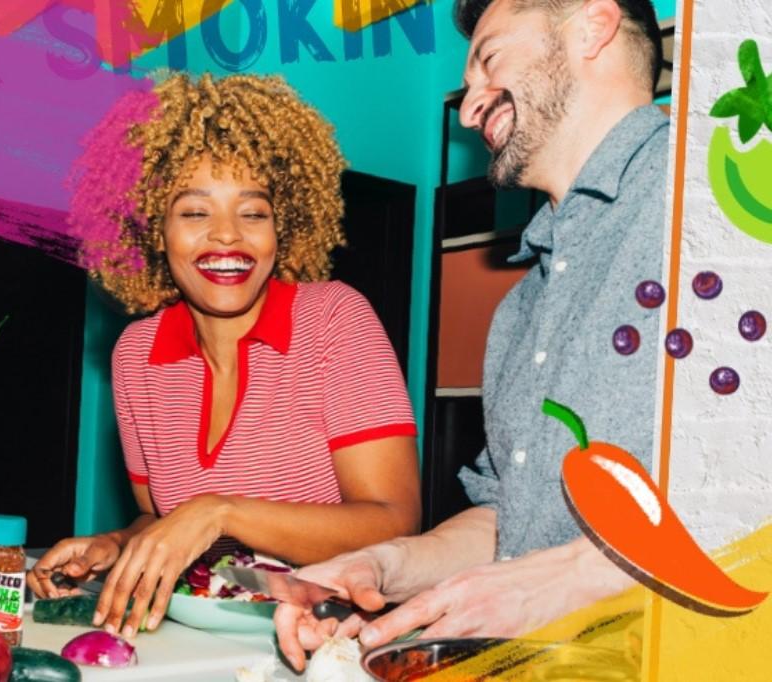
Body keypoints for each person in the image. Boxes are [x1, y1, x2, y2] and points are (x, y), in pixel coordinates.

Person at [275, 0, 670, 670]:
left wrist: (576, 578)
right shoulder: (520, 310)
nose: (465, 111)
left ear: (593, 25)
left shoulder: (729, 205)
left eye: (488, 58)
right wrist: (383, 565)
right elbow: (508, 526)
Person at [27, 73, 422, 641]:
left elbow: (394, 520)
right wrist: (116, 546)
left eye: (254, 213)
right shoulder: (136, 356)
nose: (228, 237)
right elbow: (161, 521)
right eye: (193, 212)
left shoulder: (336, 319)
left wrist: (222, 512)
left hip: (327, 642)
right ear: (151, 231)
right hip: (190, 643)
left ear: (282, 227)